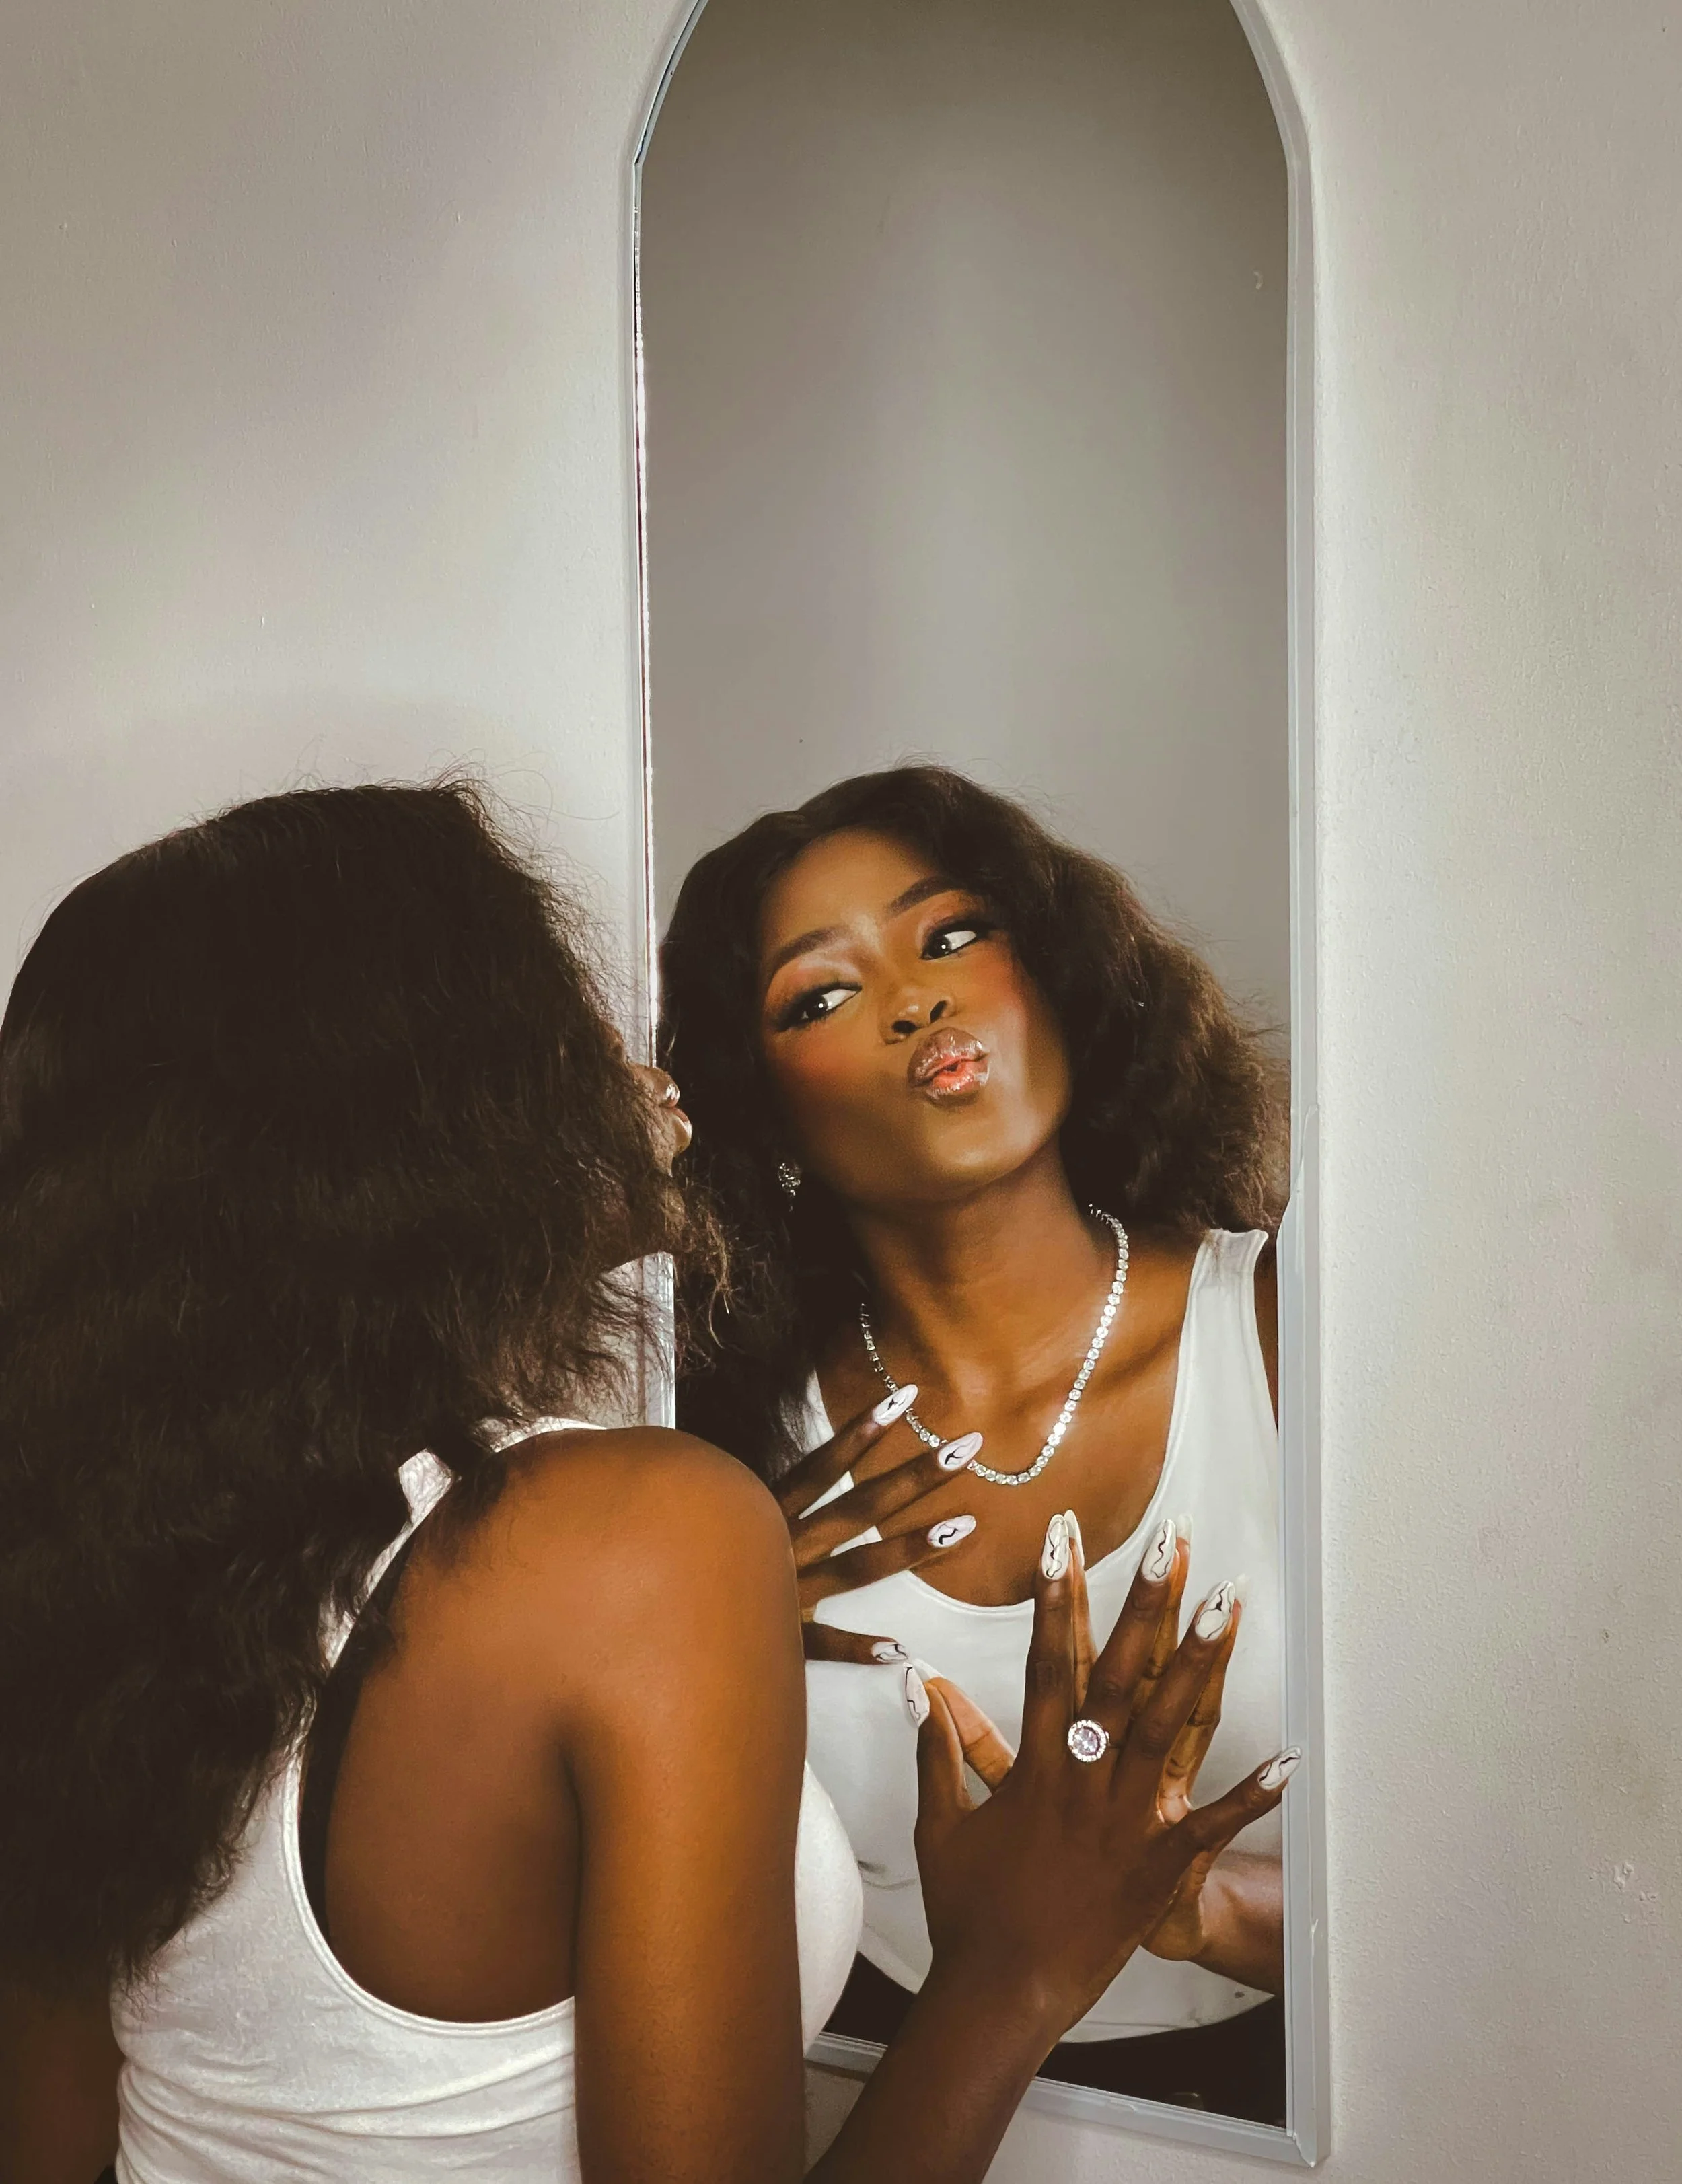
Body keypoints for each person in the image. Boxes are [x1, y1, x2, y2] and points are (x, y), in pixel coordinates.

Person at [0, 778, 1294, 2184]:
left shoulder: (90, 1568)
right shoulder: (639, 1537)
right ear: (431, 1126)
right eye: (554, 1023)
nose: (628, 1074)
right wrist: (1014, 1972)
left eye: (948, 939)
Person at [661, 764, 1292, 2123]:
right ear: (759, 1111)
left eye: (950, 933)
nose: (913, 998)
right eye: (818, 996)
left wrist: (1197, 1905)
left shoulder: (1289, 1330)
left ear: (1051, 972)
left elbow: (1521, 1878)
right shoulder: (721, 1461)